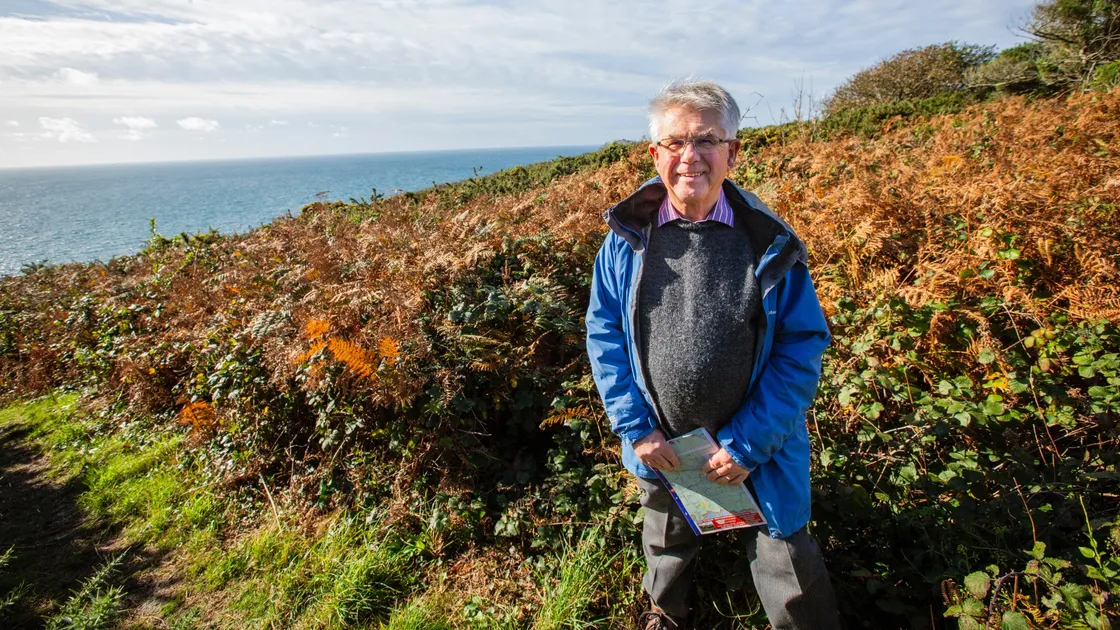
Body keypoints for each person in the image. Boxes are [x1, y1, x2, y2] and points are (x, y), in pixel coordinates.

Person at [585, 79, 841, 630]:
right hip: (665, 444)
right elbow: (603, 333)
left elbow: (801, 347)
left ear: (733, 152)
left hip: (758, 447)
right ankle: (667, 614)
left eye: (706, 141)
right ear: (655, 154)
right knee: (668, 540)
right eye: (675, 142)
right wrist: (637, 429)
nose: (689, 157)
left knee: (786, 556)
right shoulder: (626, 238)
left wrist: (748, 444)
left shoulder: (768, 242)